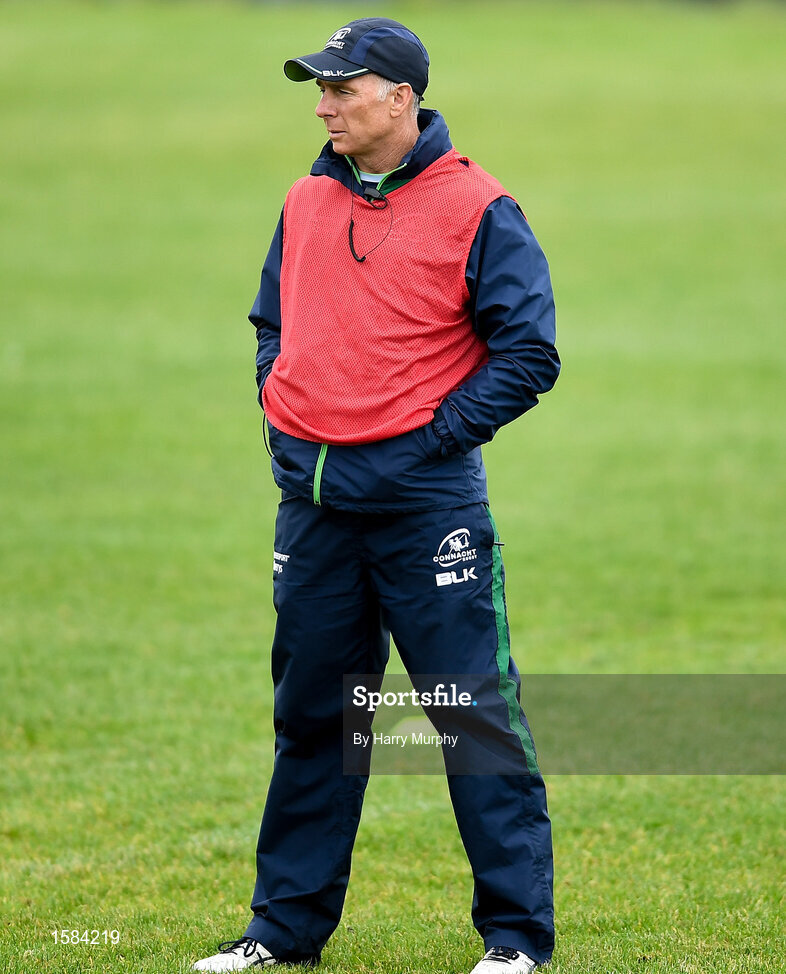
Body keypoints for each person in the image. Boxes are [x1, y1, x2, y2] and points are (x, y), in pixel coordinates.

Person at [193, 17, 559, 974]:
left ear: (401, 98)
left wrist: (426, 444)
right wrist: (282, 409)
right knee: (314, 716)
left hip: (425, 510)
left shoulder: (481, 207)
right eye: (319, 91)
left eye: (342, 90)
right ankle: (282, 932)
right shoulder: (306, 199)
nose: (324, 107)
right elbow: (271, 321)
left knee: (468, 714)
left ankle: (515, 942)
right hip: (311, 508)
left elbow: (529, 353)